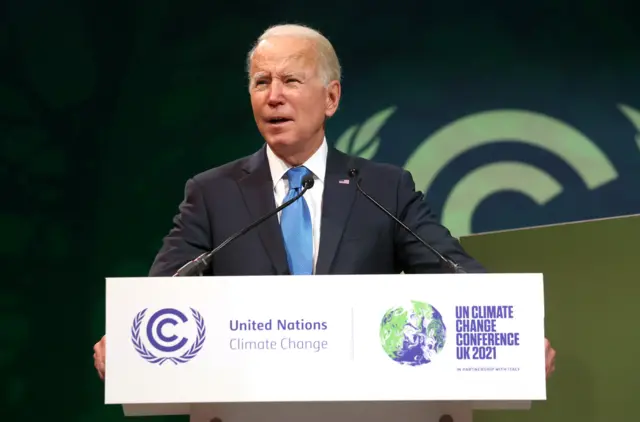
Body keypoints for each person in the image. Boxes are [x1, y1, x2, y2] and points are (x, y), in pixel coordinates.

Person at [93, 23, 556, 380]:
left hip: (360, 401)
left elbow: (452, 270)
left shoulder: (383, 187)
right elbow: (164, 292)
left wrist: (512, 332)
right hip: (245, 400)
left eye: (291, 80)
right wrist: (129, 338)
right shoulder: (212, 192)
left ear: (330, 97)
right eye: (261, 82)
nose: (273, 96)